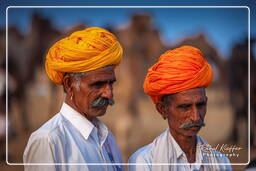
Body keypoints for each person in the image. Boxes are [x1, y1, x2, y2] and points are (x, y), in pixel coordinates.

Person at [23, 27, 124, 171]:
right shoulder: (48, 140)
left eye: (111, 83)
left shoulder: (107, 138)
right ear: (69, 84)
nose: (108, 94)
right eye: (98, 84)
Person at [129, 46, 232, 171]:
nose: (195, 116)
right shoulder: (145, 161)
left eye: (200, 105)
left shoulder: (221, 162)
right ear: (162, 109)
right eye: (185, 107)